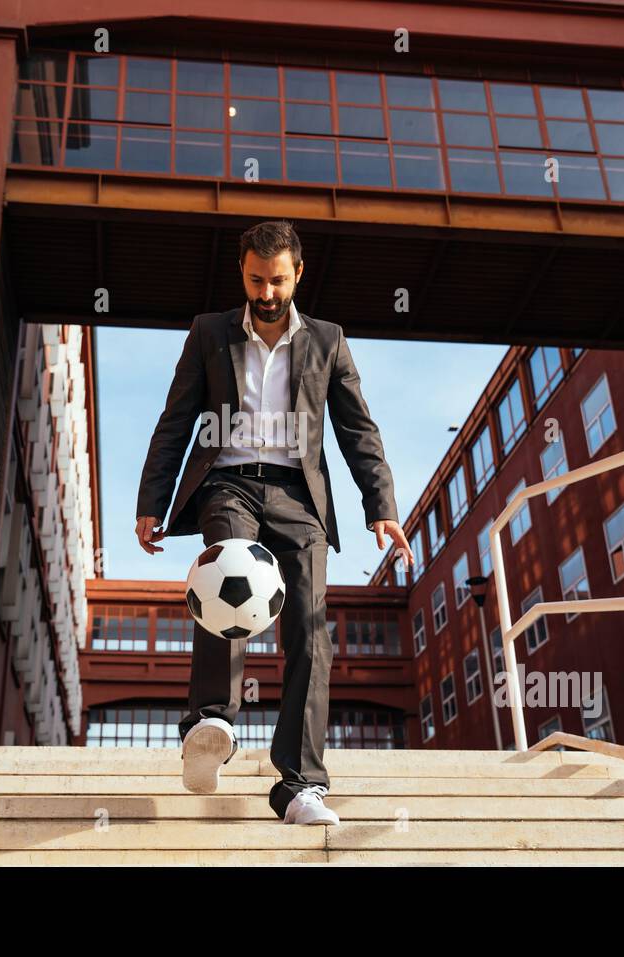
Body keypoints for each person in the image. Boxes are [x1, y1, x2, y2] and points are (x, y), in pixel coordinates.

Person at [135, 219, 414, 825]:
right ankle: (211, 720)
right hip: (228, 484)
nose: (267, 293)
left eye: (278, 281)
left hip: (299, 496)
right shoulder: (208, 333)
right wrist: (151, 501)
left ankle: (299, 786)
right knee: (227, 575)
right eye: (257, 280)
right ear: (242, 272)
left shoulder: (328, 341)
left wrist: (382, 507)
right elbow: (175, 420)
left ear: (298, 275)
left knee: (311, 632)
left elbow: (357, 430)